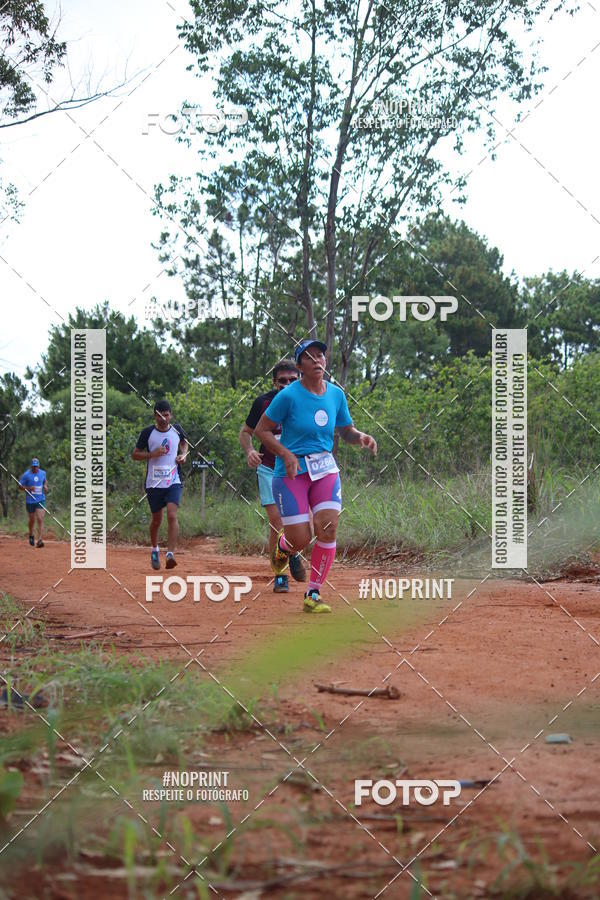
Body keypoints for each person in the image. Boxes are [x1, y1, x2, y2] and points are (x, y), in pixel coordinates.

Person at [254, 339, 377, 613]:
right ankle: (284, 548)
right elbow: (261, 431)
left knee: (328, 528)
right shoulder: (287, 396)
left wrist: (361, 438)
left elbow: (346, 431)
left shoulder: (336, 395)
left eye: (320, 355)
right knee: (301, 539)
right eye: (309, 357)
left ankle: (313, 593)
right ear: (300, 367)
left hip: (324, 470)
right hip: (291, 472)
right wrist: (285, 454)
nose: (317, 361)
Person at [239, 360, 306, 592]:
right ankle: (280, 574)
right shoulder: (263, 403)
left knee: (298, 523)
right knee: (277, 522)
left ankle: (291, 550)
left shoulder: (307, 400)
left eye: (292, 380)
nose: (287, 385)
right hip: (268, 468)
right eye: (282, 381)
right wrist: (249, 451)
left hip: (298, 470)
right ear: (274, 382)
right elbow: (246, 432)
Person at [132, 400, 189, 571]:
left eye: (166, 415)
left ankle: (170, 554)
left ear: (170, 415)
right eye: (159, 415)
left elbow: (184, 443)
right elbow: (135, 455)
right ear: (154, 416)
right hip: (153, 483)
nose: (163, 418)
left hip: (173, 481)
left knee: (172, 515)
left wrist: (183, 455)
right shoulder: (148, 433)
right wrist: (152, 454)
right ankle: (155, 549)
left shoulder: (177, 430)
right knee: (157, 520)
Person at [19, 458, 48, 547]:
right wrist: (28, 488)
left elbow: (44, 481)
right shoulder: (26, 475)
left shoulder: (43, 473)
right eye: (33, 467)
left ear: (38, 466)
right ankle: (31, 534)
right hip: (30, 500)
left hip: (40, 499)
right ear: (31, 466)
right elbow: (20, 486)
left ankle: (40, 539)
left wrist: (45, 486)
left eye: (36, 466)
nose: (35, 468)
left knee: (40, 518)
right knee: (32, 520)